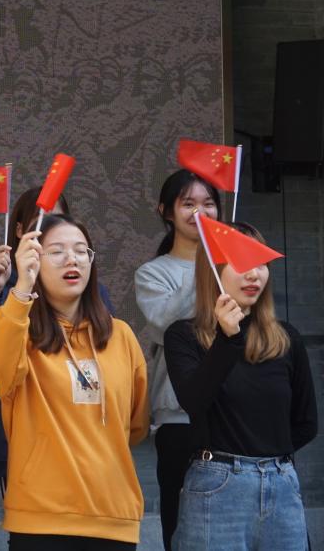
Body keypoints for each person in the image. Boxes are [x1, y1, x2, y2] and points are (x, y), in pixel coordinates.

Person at [0, 214, 148, 550]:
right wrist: (20, 290)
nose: (72, 259)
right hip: (40, 517)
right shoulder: (19, 331)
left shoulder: (121, 335)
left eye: (81, 251)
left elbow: (136, 424)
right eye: (56, 252)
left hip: (113, 516)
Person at [164, 222, 317, 551]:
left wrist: (267, 462)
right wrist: (227, 340)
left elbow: (306, 423)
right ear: (214, 271)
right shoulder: (183, 336)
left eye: (260, 263)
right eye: (241, 262)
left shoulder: (286, 338)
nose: (254, 274)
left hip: (280, 484)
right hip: (217, 484)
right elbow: (193, 400)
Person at [0, 188, 113, 496]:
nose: (48, 226)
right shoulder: (11, 287)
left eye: (56, 217)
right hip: (20, 445)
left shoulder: (89, 292)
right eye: (39, 220)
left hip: (85, 444)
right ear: (19, 230)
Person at [132, 169, 220, 549]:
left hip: (233, 410)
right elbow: (167, 324)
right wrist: (208, 269)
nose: (199, 212)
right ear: (166, 211)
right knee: (182, 524)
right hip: (179, 416)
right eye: (188, 204)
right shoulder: (153, 273)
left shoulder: (234, 266)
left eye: (208, 203)